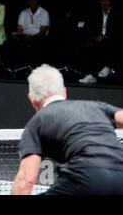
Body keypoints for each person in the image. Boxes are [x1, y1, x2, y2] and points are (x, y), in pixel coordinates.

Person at [12, 64, 123, 195]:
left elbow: (26, 180)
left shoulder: (37, 123)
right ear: (64, 92)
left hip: (84, 177)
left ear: (32, 100)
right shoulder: (96, 107)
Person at [79, 0, 122, 84]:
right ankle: (91, 75)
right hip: (98, 39)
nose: (104, 3)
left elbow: (118, 32)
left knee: (109, 44)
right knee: (86, 46)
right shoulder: (96, 14)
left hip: (112, 39)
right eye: (102, 1)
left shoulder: (117, 14)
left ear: (110, 1)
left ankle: (108, 67)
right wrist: (94, 37)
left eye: (106, 0)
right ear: (99, 2)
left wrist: (105, 37)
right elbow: (89, 29)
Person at [10, 0, 50, 66]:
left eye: (34, 0)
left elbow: (42, 32)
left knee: (36, 44)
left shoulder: (44, 13)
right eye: (30, 0)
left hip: (39, 38)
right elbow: (19, 29)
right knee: (14, 41)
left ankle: (35, 67)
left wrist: (31, 37)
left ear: (37, 1)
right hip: (25, 37)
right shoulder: (23, 13)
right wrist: (20, 36)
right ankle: (19, 68)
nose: (32, 2)